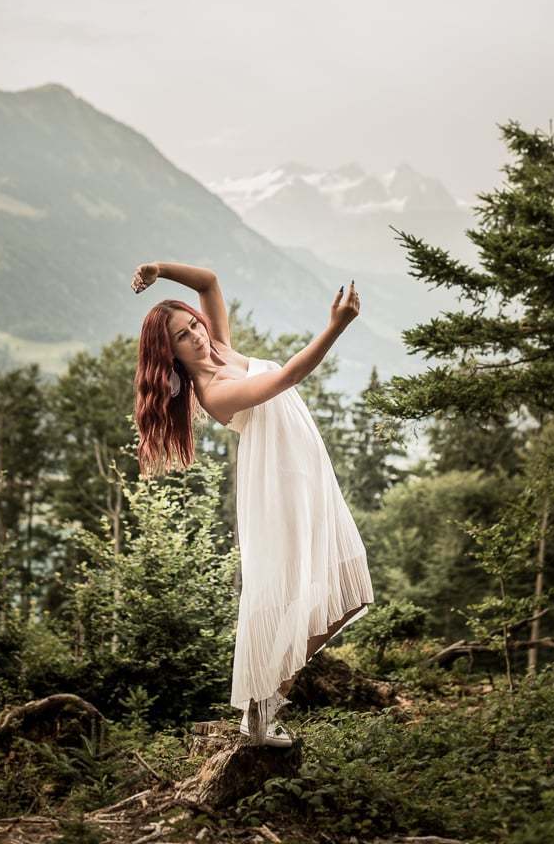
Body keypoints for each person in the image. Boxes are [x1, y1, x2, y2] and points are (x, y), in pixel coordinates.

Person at [131, 260, 374, 747]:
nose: (197, 334)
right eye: (183, 335)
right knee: (282, 591)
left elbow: (210, 281)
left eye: (194, 323)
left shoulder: (219, 346)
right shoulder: (214, 391)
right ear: (170, 356)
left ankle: (264, 703)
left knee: (342, 589)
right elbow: (285, 378)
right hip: (277, 483)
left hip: (306, 470)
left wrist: (158, 268)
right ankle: (260, 710)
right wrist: (336, 327)